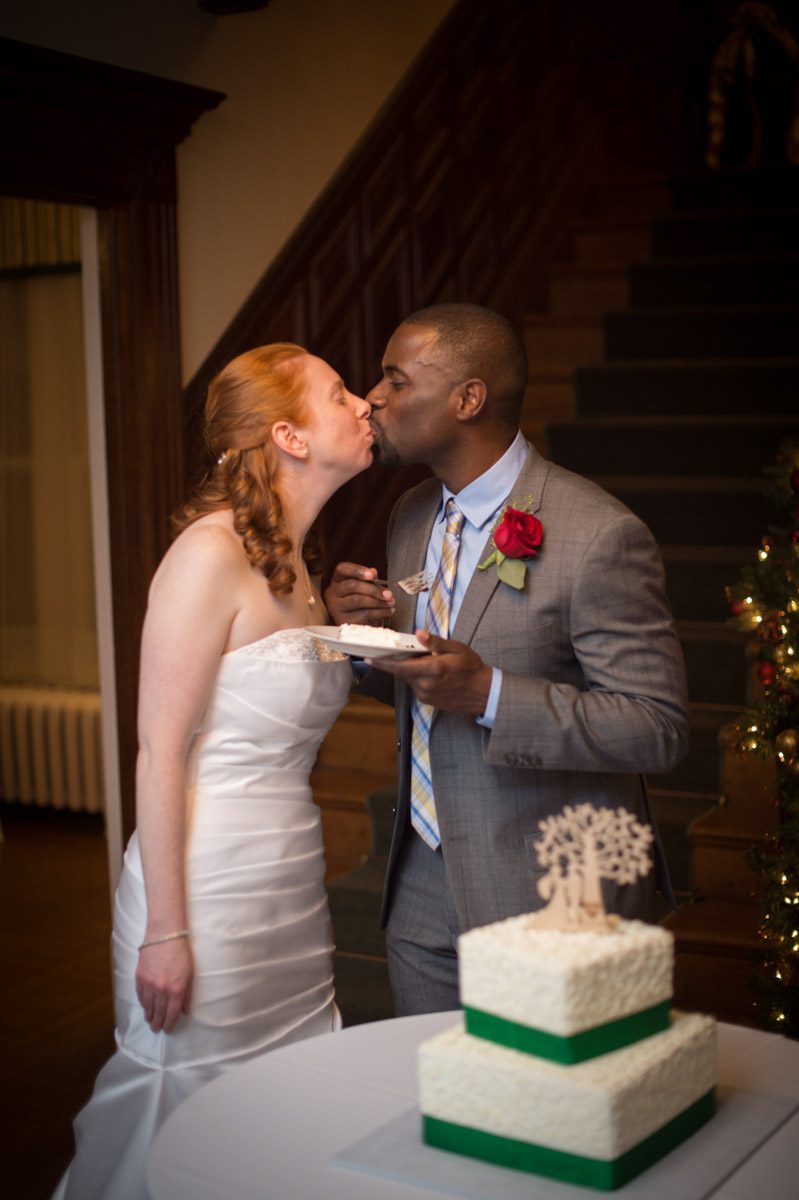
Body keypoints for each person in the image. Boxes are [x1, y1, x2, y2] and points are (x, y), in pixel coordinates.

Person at [53, 344, 374, 1200]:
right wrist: (167, 929)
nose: (364, 405)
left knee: (285, 1108)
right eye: (339, 394)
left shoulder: (299, 565)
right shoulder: (206, 552)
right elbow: (160, 751)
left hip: (286, 886)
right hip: (206, 888)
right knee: (191, 1112)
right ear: (289, 438)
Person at [325, 303, 689, 1016]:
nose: (372, 398)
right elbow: (426, 684)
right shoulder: (409, 515)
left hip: (548, 894)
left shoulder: (598, 534)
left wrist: (490, 693)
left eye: (396, 380)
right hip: (420, 889)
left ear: (468, 399)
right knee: (433, 1083)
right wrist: (365, 647)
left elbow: (657, 727)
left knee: (547, 1089)